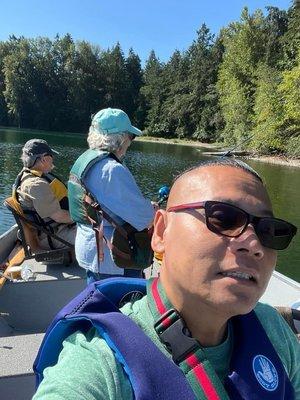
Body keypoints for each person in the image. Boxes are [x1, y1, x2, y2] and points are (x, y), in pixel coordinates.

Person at [33, 159, 300, 399]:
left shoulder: (272, 330)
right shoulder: (100, 365)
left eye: (269, 231)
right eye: (223, 217)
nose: (254, 243)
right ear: (161, 231)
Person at [70, 108, 156, 283]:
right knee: (120, 304)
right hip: (113, 257)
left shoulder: (85, 159)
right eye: (130, 137)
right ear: (121, 138)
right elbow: (145, 218)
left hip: (90, 248)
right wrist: (153, 210)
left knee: (99, 302)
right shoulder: (111, 169)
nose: (130, 143)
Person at [15, 138, 76, 250]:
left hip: (53, 230)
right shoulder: (36, 185)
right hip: (53, 237)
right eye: (51, 157)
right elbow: (59, 216)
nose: (53, 161)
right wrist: (84, 217)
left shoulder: (27, 176)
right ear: (43, 159)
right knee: (100, 234)